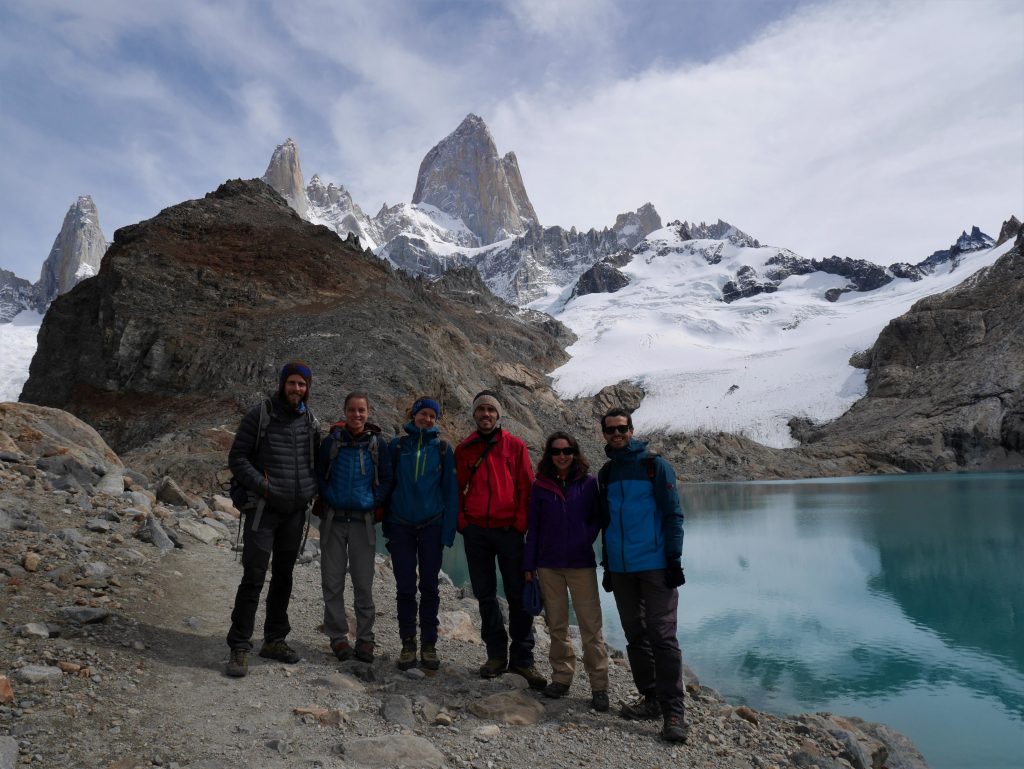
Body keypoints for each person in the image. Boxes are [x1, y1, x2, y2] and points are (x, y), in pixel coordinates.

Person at [225, 360, 320, 677]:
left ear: (308, 389)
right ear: (283, 384)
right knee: (254, 574)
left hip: (294, 512)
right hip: (264, 510)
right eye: (292, 383)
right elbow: (237, 458)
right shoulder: (261, 415)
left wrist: (310, 489)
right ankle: (239, 645)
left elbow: (316, 461)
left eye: (302, 384)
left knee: (284, 575)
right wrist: (263, 486)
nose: (297, 389)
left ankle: (274, 640)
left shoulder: (310, 421)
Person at [598, 407, 688, 743]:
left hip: (654, 566)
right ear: (604, 434)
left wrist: (674, 560)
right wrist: (607, 565)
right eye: (611, 431)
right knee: (635, 635)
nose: (617, 435)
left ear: (632, 430)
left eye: (622, 429)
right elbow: (607, 524)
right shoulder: (606, 473)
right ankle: (650, 698)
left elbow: (673, 514)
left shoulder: (655, 467)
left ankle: (674, 712)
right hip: (621, 571)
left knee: (663, 637)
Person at [455, 390, 546, 689]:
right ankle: (495, 655)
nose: (486, 414)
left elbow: (526, 487)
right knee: (485, 595)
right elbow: (455, 489)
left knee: (518, 595)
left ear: (498, 415)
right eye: (480, 410)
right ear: (474, 414)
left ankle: (522, 659)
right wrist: (463, 523)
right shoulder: (465, 449)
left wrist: (520, 524)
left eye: (491, 410)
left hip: (509, 531)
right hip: (477, 532)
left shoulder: (515, 446)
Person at [523, 431, 611, 711]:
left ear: (575, 453)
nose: (562, 456)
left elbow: (597, 517)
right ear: (549, 455)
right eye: (556, 451)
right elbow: (533, 528)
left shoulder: (588, 483)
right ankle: (561, 677)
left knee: (590, 627)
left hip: (581, 564)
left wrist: (585, 536)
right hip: (548, 565)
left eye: (567, 450)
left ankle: (599, 686)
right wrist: (529, 565)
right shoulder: (540, 486)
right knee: (557, 624)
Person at [317, 392, 393, 664]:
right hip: (333, 521)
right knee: (333, 582)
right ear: (345, 411)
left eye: (361, 410)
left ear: (368, 412)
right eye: (352, 410)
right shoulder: (331, 442)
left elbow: (386, 478)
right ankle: (338, 638)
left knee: (364, 583)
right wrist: (328, 496)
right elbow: (319, 473)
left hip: (363, 522)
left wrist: (373, 500)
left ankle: (365, 639)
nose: (357, 415)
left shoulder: (377, 445)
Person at [385, 397, 459, 671]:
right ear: (414, 415)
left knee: (429, 588)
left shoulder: (441, 448)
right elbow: (389, 485)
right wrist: (388, 526)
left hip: (432, 526)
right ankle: (407, 643)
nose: (428, 419)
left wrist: (447, 533)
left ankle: (429, 645)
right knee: (404, 587)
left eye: (432, 416)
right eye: (423, 414)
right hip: (401, 525)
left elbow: (450, 493)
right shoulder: (398, 446)